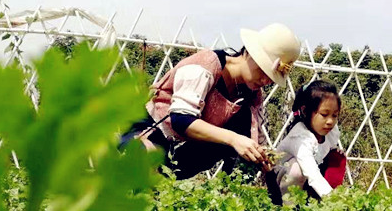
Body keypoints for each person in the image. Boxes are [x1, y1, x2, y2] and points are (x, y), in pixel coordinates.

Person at [121, 23, 301, 179]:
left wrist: (259, 154)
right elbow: (180, 120)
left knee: (243, 129)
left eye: (271, 78)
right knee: (145, 159)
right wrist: (233, 139)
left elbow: (254, 136)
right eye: (263, 71)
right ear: (249, 53)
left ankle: (230, 193)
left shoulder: (252, 95)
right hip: (152, 130)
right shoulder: (206, 66)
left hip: (183, 150)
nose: (265, 80)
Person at [268, 80, 346, 204]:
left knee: (337, 157)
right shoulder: (300, 137)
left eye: (335, 115)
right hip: (280, 182)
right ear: (305, 111)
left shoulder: (331, 131)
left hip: (307, 178)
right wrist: (334, 201)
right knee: (297, 170)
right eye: (324, 114)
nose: (330, 121)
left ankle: (317, 206)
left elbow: (326, 150)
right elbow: (312, 174)